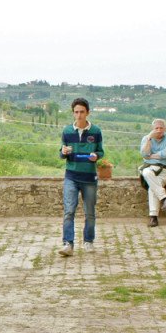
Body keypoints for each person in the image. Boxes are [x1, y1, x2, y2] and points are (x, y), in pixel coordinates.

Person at [58, 98, 104, 256]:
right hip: (71, 176)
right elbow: (61, 153)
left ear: (88, 113)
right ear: (73, 113)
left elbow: (101, 151)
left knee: (89, 212)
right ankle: (68, 244)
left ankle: (88, 241)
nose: (79, 115)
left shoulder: (96, 131)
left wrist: (96, 156)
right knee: (69, 211)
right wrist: (63, 152)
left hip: (89, 178)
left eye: (82, 112)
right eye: (76, 112)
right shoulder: (67, 131)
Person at [139, 119, 166, 227]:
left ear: (165, 128)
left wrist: (151, 156)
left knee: (147, 175)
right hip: (150, 169)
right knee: (148, 174)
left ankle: (154, 217)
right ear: (153, 129)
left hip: (165, 170)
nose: (159, 130)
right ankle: (163, 199)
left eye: (161, 128)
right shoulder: (146, 138)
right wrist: (149, 138)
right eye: (156, 128)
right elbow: (144, 154)